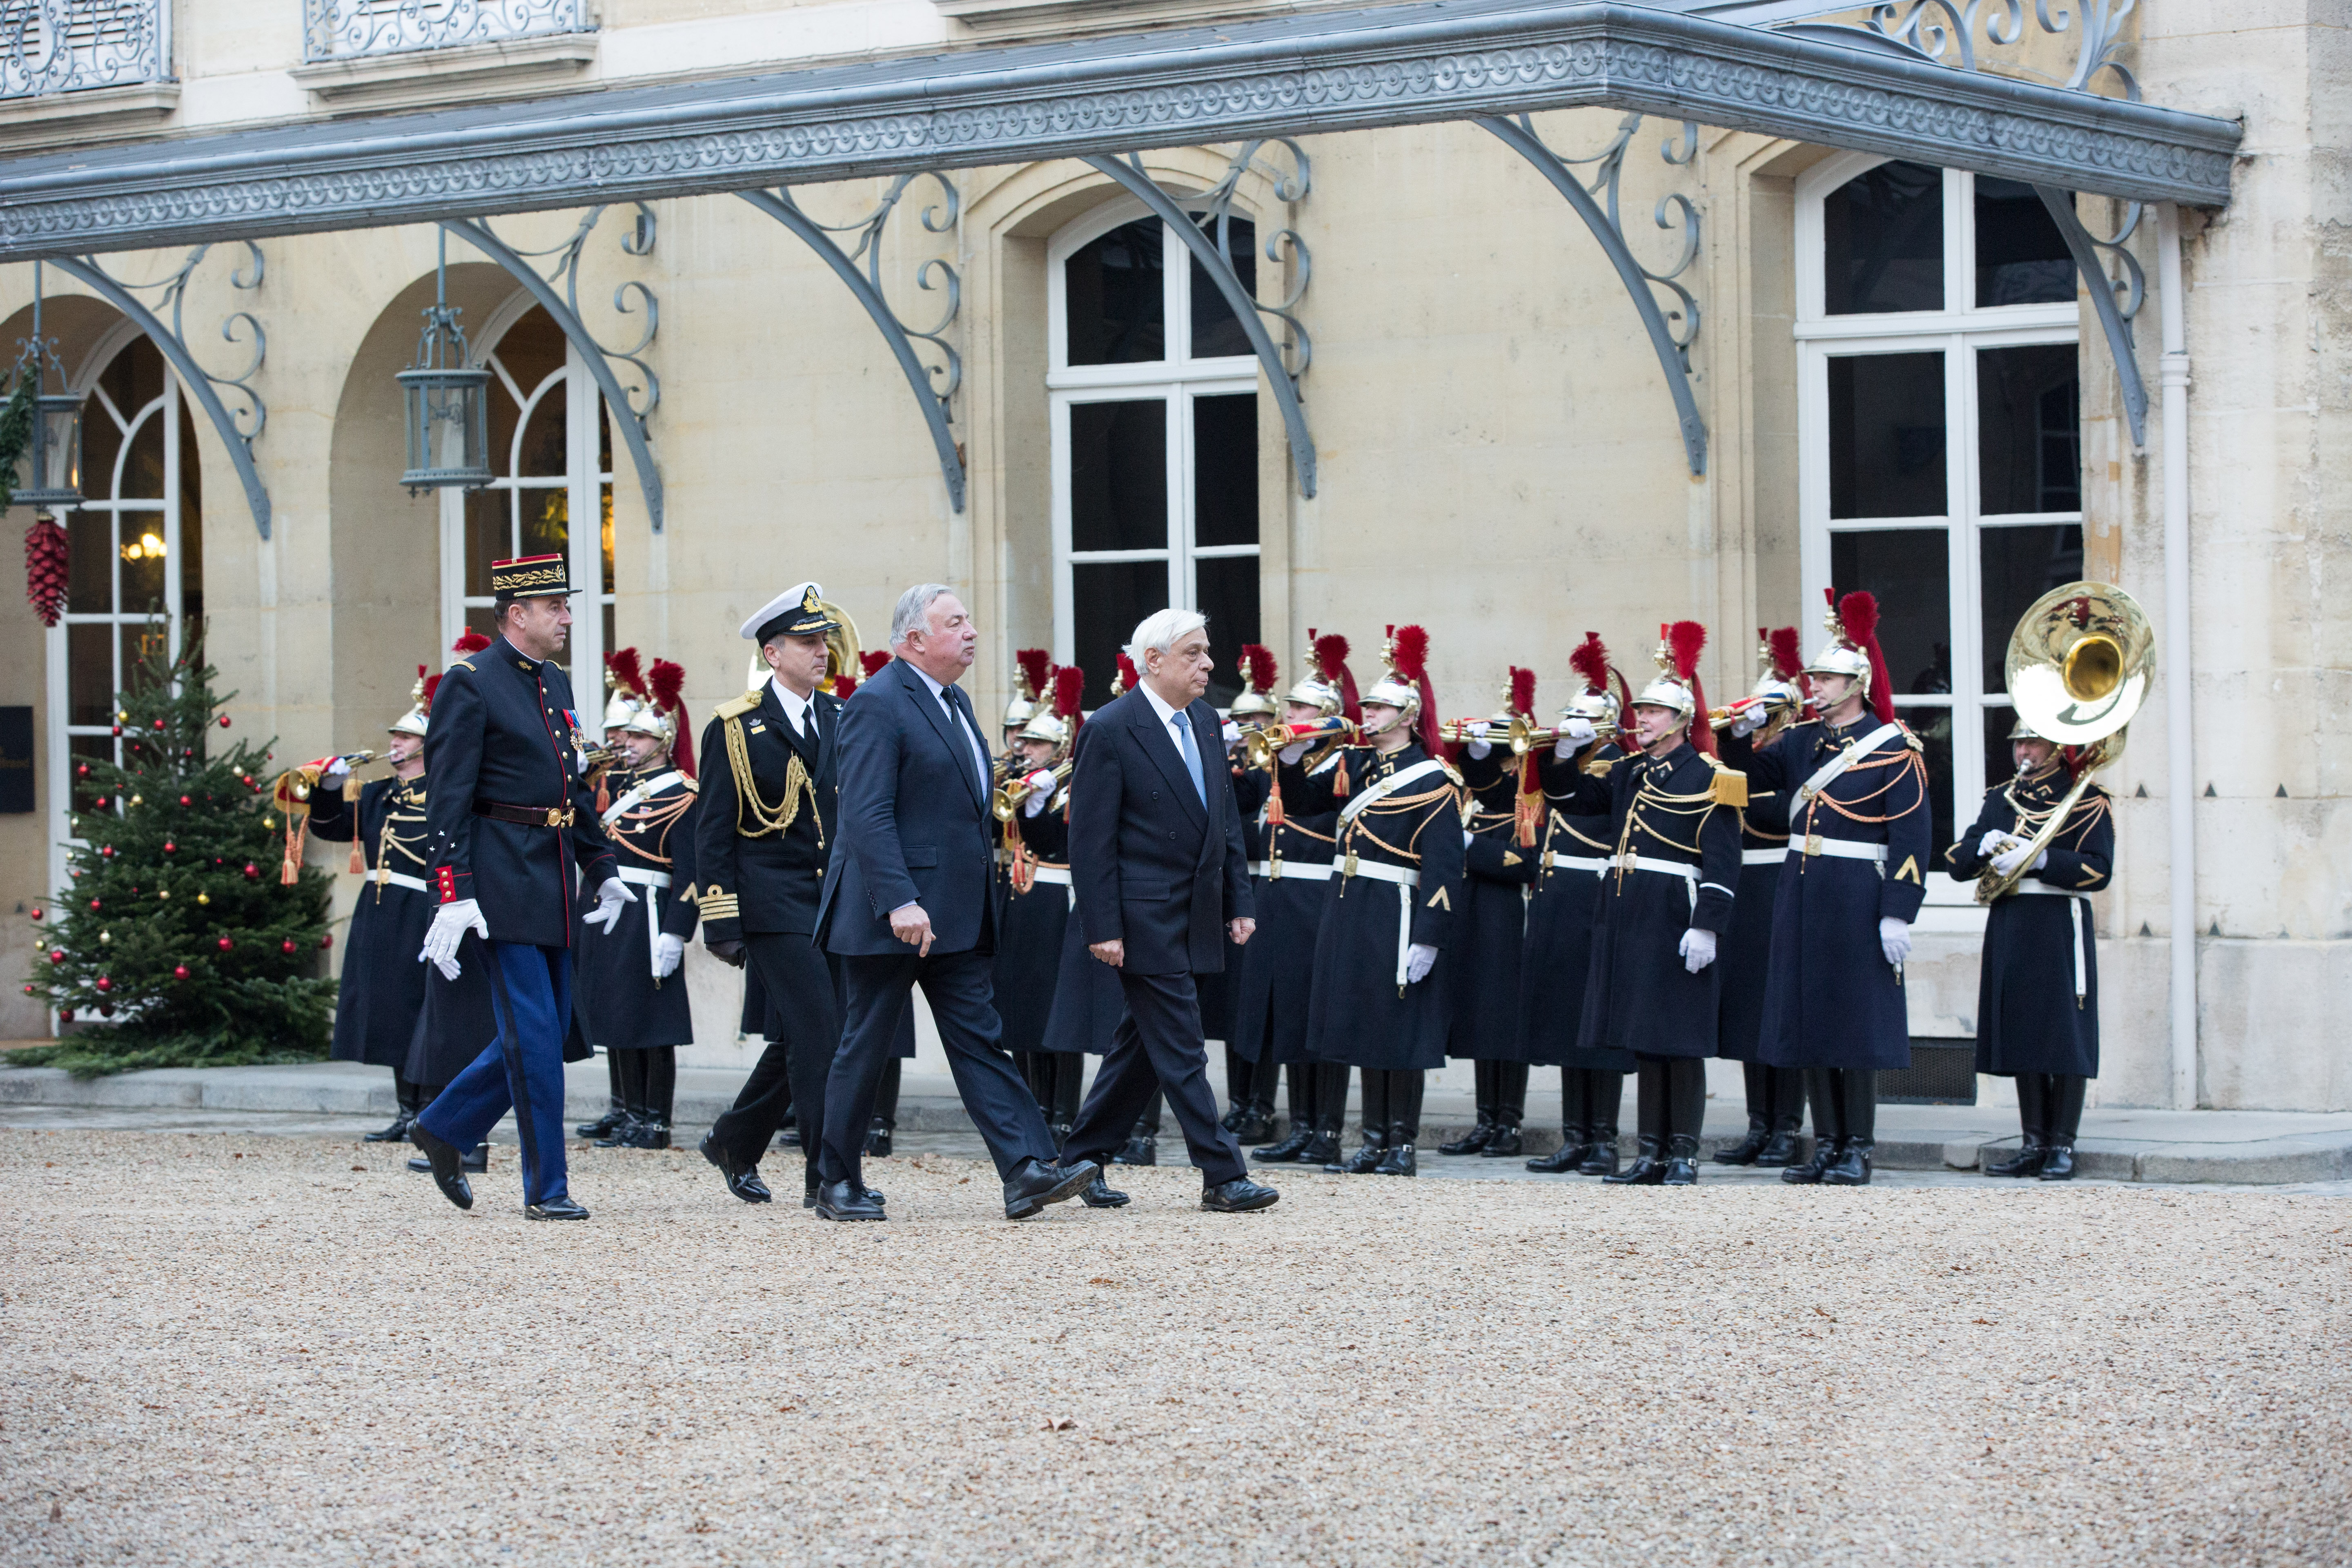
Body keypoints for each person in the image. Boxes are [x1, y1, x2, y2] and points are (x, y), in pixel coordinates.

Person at [811, 584, 1097, 1222]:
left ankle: (1025, 1168)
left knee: (980, 1040)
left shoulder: (956, 700)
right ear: (915, 640)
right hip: (895, 913)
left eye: (968, 620)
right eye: (956, 622)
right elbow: (865, 814)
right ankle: (835, 1179)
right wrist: (900, 900)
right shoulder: (877, 703)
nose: (971, 631)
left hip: (957, 914)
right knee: (866, 1045)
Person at [407, 555, 633, 1221]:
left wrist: (602, 868)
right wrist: (453, 890)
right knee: (535, 1041)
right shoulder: (469, 684)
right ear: (517, 615)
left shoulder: (554, 680)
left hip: (553, 882)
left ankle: (444, 1126)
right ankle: (547, 1189)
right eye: (556, 607)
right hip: (500, 882)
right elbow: (446, 799)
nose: (567, 617)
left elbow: (573, 784)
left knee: (551, 1032)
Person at [1058, 608, 1278, 1214]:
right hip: (1142, 916)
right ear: (1152, 660)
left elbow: (1225, 823)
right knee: (1182, 1045)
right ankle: (1223, 1173)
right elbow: (1092, 842)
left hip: (1199, 911)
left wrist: (1240, 900)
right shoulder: (1109, 727)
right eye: (1194, 653)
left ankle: (1080, 1158)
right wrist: (1102, 927)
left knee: (1141, 1046)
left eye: (1208, 652)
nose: (1209, 664)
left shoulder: (1205, 721)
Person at [1721, 590, 1931, 1187]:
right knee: (1810, 1019)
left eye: (1827, 678)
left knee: (1855, 1023)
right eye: (1813, 677)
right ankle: (1827, 1142)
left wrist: (1898, 911)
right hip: (1802, 891)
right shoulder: (1799, 741)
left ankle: (1857, 1145)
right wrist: (1742, 733)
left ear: (1856, 683)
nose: (1814, 686)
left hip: (1857, 893)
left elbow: (1912, 838)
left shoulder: (1893, 748)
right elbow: (1744, 786)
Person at [1555, 624, 1742, 1186]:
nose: (1643, 719)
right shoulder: (1630, 771)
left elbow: (1723, 860)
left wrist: (1707, 926)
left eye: (1655, 712)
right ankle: (1650, 1151)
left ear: (1681, 720)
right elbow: (1574, 802)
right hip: (1627, 912)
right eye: (1641, 710)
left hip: (1674, 911)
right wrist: (1565, 755)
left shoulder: (1712, 776)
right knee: (1643, 1037)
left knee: (1677, 1039)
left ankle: (1682, 1151)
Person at [690, 583, 855, 1207]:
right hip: (772, 904)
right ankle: (827, 1177)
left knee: (802, 1035)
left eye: (824, 642)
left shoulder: (842, 716)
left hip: (834, 899)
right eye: (808, 643)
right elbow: (713, 830)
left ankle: (735, 1139)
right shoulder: (736, 726)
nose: (822, 653)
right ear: (773, 651)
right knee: (823, 1036)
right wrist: (722, 918)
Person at [1279, 626, 1465, 1178]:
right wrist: (1292, 758)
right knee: (1363, 1020)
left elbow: (1444, 867)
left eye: (1381, 708)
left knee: (1399, 1027)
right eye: (1369, 706)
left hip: (1395, 907)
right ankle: (1373, 1138)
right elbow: (1304, 805)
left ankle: (1401, 1143)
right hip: (1349, 903)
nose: (1370, 714)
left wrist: (1429, 936)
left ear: (1407, 716)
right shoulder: (1355, 764)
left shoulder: (1432, 779)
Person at [1945, 719, 2113, 1181]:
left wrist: (2040, 859)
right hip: (2012, 922)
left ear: (2057, 747)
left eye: (2033, 742)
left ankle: (2063, 1143)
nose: (2024, 751)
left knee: (2063, 1033)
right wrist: (1981, 847)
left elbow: (2100, 870)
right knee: (2023, 1030)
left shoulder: (2086, 799)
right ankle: (2033, 1141)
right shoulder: (2000, 799)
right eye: (2019, 742)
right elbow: (1958, 864)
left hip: (2059, 923)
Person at [1236, 636, 1356, 1167]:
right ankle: (1302, 1123)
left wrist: (1290, 757)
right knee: (1287, 1013)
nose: (1289, 715)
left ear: (1327, 715)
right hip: (1279, 897)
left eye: (1301, 708)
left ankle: (1326, 1128)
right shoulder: (1283, 758)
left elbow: (1316, 807)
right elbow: (1240, 800)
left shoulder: (1339, 763)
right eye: (1290, 707)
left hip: (1317, 894)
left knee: (1318, 1015)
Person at [575, 649, 700, 1152]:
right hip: (616, 908)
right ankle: (626, 1109)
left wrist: (677, 931)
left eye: (641, 737)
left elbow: (693, 872)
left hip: (652, 911)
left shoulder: (685, 794)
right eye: (629, 736)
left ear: (664, 740)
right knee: (616, 1012)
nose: (628, 745)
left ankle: (654, 1120)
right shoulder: (621, 787)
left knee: (651, 1021)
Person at [310, 664, 439, 1147]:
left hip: (418, 911)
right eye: (396, 737)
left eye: (406, 738)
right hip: (378, 910)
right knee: (387, 1011)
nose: (396, 744)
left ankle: (427, 1112)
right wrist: (326, 791)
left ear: (427, 745)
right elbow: (330, 827)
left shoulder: (442, 794)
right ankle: (405, 1111)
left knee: (418, 1013)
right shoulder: (379, 793)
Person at [1518, 635, 1633, 1176]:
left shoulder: (1617, 761)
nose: (1568, 726)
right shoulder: (1576, 757)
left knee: (1597, 1022)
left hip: (1596, 894)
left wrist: (1577, 756)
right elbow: (1557, 792)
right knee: (1565, 1017)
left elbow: (1587, 807)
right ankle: (1575, 1135)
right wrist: (1563, 749)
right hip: (1560, 895)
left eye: (1579, 721)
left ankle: (1604, 1137)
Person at [1710, 628, 1811, 1168]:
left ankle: (1788, 1126)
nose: (1764, 724)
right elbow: (1733, 788)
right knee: (1750, 1007)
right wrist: (1733, 738)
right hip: (1750, 884)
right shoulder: (1755, 757)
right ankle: (1758, 1123)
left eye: (1769, 714)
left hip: (1784, 881)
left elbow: (1779, 814)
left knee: (1781, 1008)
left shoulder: (1803, 752)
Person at [1443, 666, 1544, 1158]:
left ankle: (1509, 1120)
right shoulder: (1480, 795)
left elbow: (1524, 863)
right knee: (1483, 1018)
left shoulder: (1532, 798)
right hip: (1476, 911)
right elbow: (1485, 791)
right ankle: (1486, 1119)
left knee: (1506, 1021)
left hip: (1509, 912)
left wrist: (1469, 848)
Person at [996, 665, 1085, 1144]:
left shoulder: (1071, 786)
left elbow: (1058, 841)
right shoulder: (1030, 785)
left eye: (1037, 744)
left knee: (1059, 1011)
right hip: (1025, 900)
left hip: (1057, 901)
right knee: (1025, 1008)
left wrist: (1036, 806)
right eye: (1025, 741)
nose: (1025, 749)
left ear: (1061, 748)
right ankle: (1035, 1105)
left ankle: (1064, 1112)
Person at [1207, 642, 1282, 1143]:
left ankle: (1262, 1102)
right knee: (1236, 1004)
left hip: (1273, 887)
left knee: (1266, 1007)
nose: (1251, 727)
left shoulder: (1283, 769)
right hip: (1237, 889)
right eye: (1243, 719)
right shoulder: (1233, 767)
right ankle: (1239, 1102)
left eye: (1260, 718)